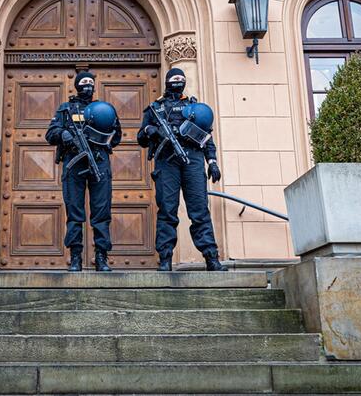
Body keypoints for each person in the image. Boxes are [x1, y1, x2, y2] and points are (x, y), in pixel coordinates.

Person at [137, 67, 226, 271]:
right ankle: (166, 259)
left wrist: (212, 162)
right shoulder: (155, 109)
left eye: (181, 78)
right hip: (167, 161)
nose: (178, 81)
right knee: (167, 210)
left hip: (193, 160)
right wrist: (151, 130)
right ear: (167, 81)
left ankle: (211, 258)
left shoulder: (194, 106)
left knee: (200, 210)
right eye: (174, 78)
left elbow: (206, 137)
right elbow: (140, 138)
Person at [45, 71, 122, 272]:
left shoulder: (105, 109)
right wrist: (63, 134)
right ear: (77, 85)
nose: (87, 85)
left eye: (90, 82)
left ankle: (101, 257)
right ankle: (76, 256)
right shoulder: (66, 109)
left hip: (99, 161)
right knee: (75, 212)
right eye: (84, 82)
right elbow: (50, 133)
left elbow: (117, 136)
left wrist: (101, 137)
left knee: (101, 212)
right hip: (74, 162)